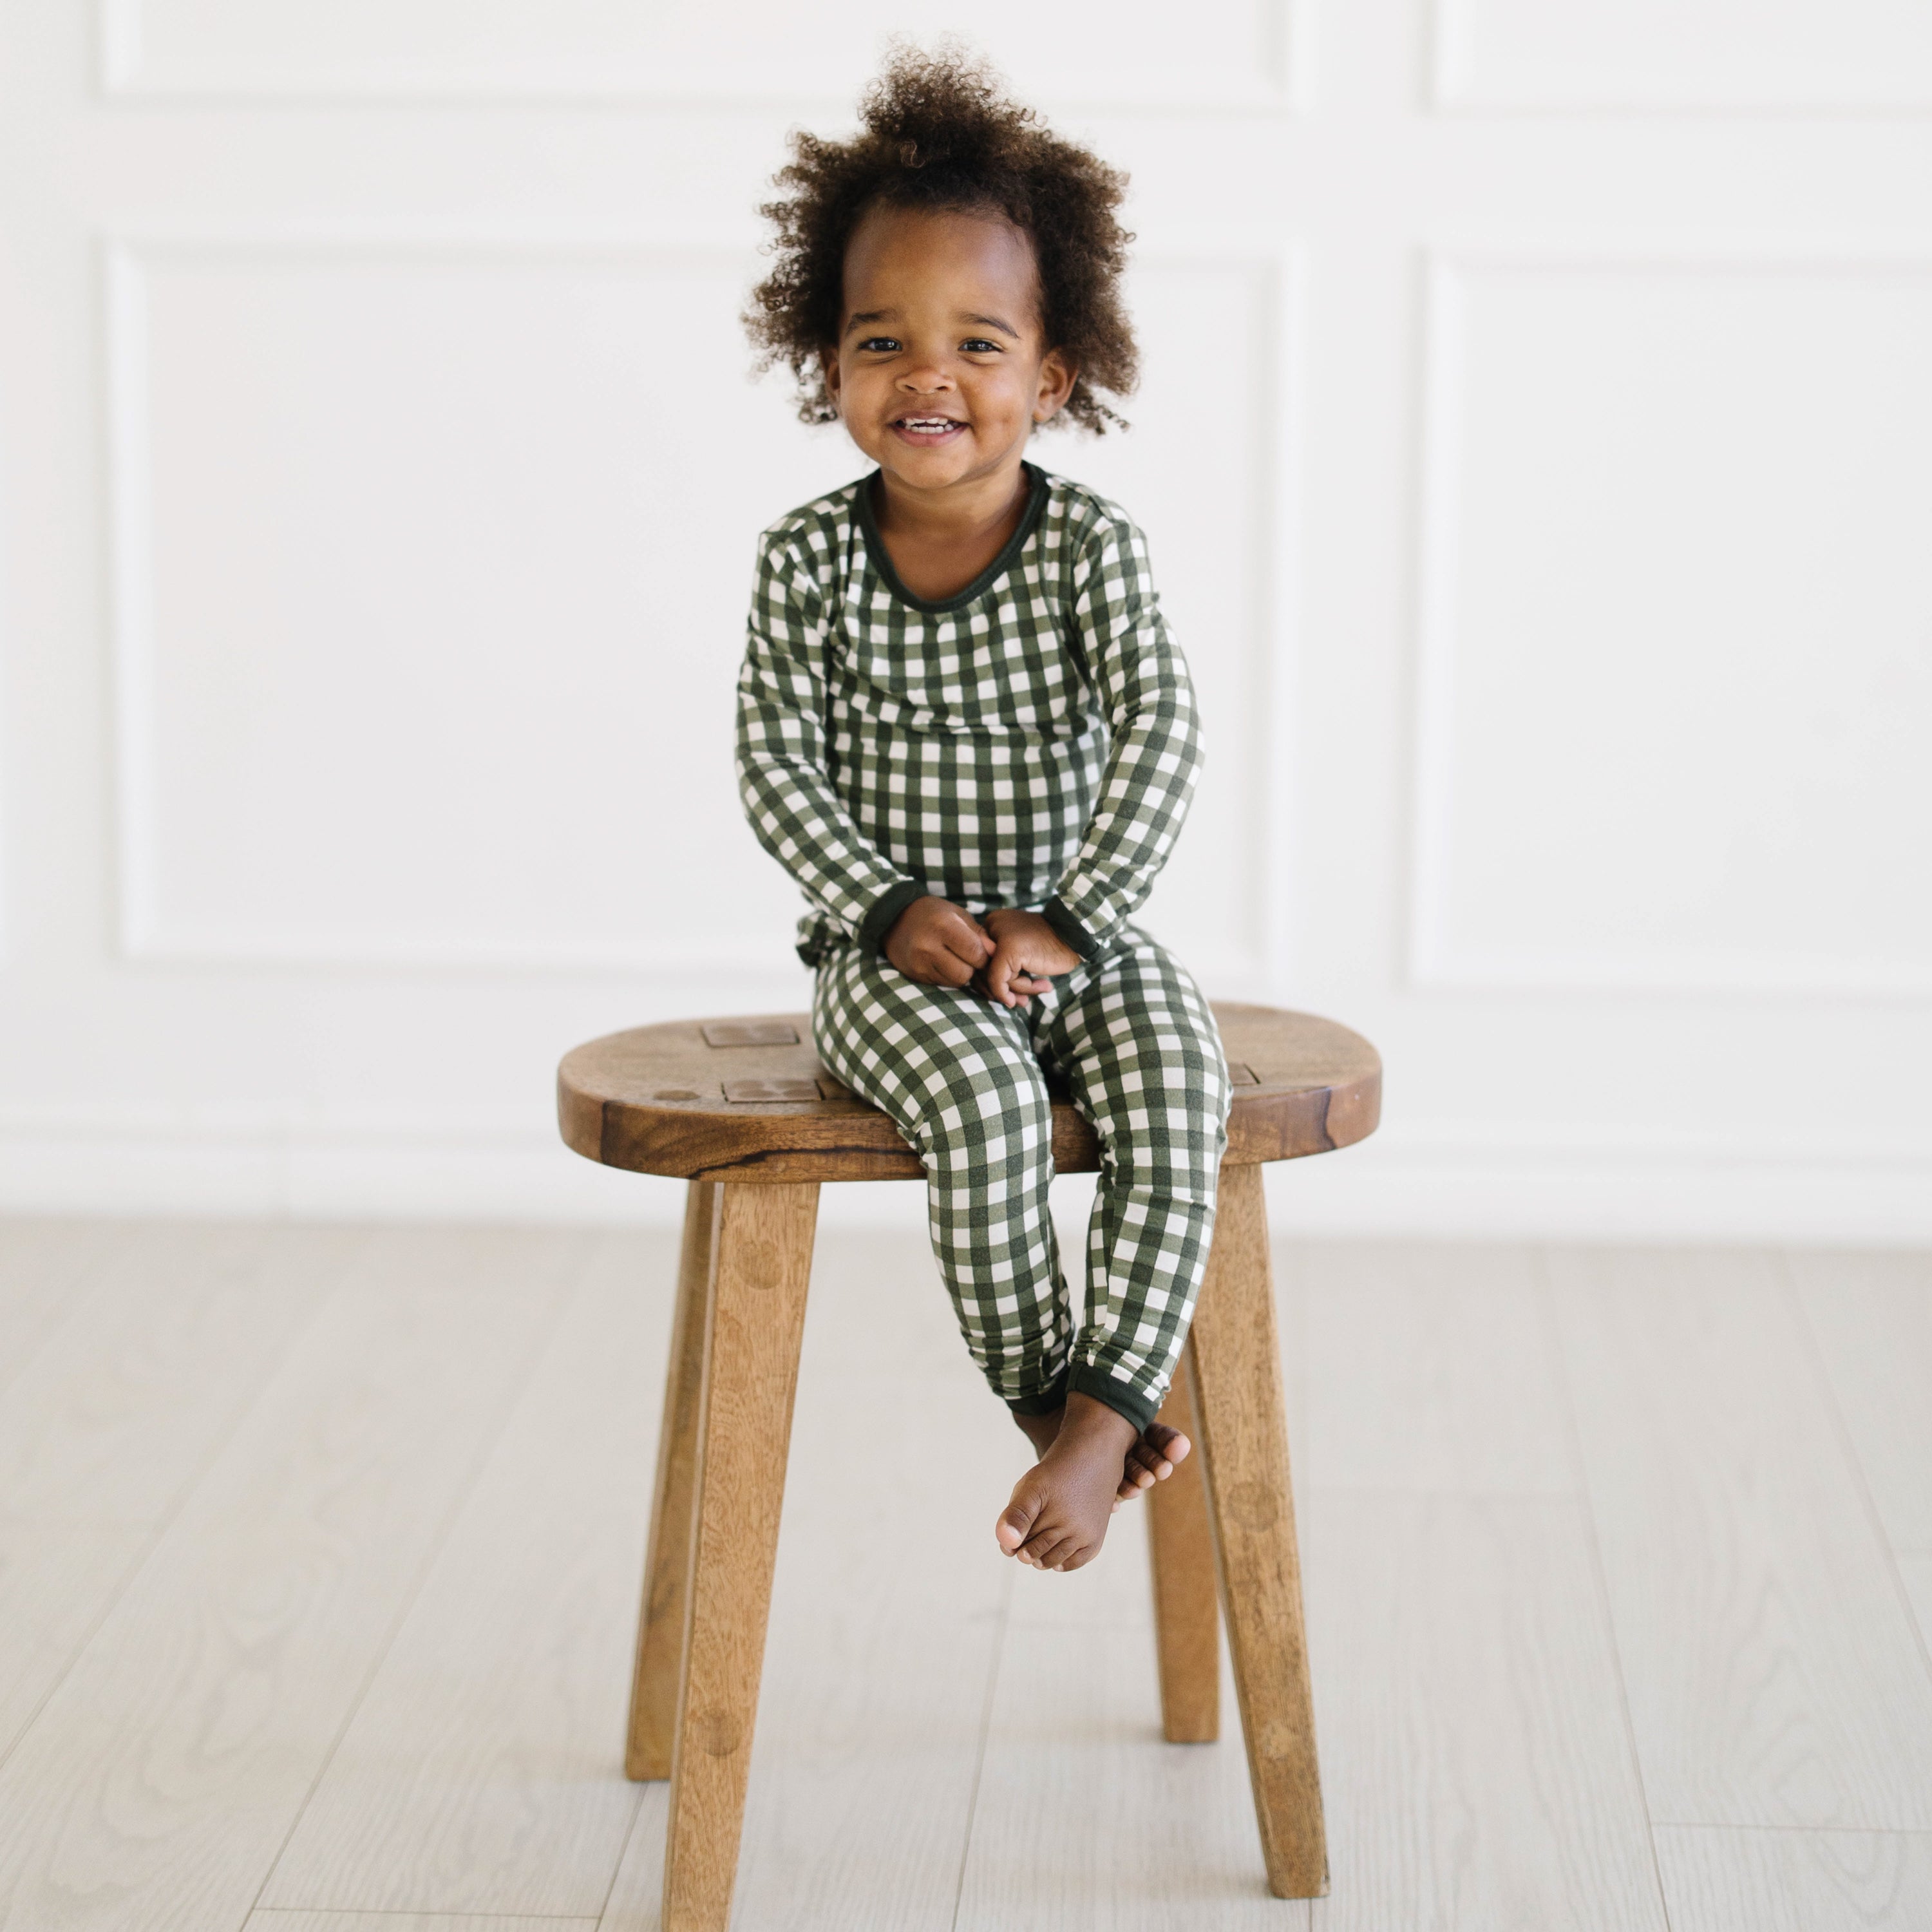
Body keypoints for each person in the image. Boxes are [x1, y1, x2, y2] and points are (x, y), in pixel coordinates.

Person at [735, 46, 1231, 1573]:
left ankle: (1111, 1403)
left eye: (977, 343)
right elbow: (775, 764)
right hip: (889, 962)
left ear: (1051, 379)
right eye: (881, 340)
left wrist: (1072, 922)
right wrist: (891, 910)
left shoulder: (1091, 551)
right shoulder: (808, 561)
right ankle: (1050, 1406)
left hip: (1071, 935)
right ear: (829, 367)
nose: (927, 376)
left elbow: (1162, 726)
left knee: (1179, 1080)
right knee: (989, 1107)